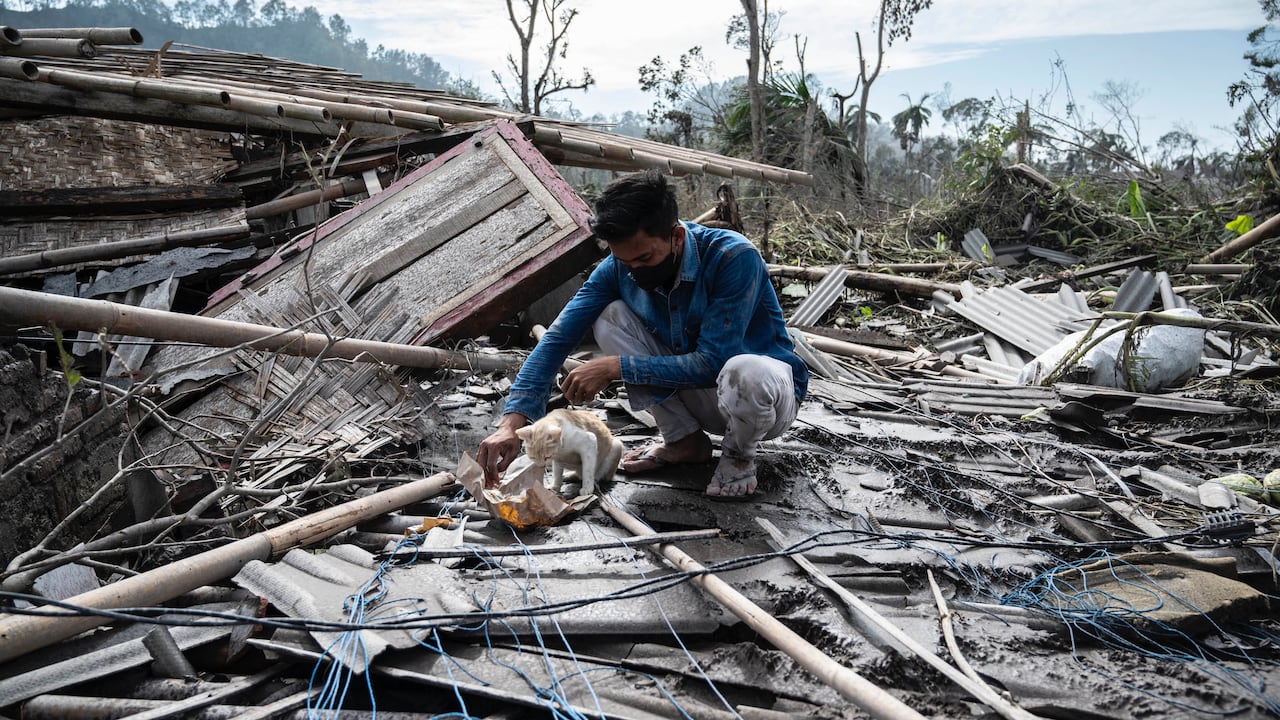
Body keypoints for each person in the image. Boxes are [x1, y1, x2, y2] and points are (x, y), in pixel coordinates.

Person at [476, 170, 807, 499]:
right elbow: (556, 339)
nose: (635, 270)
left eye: (645, 258)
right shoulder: (620, 268)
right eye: (625, 261)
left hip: (765, 400)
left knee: (745, 369)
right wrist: (510, 426)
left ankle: (737, 457)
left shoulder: (732, 256)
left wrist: (614, 367)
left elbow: (714, 362)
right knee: (609, 317)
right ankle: (683, 440)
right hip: (705, 398)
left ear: (676, 237)